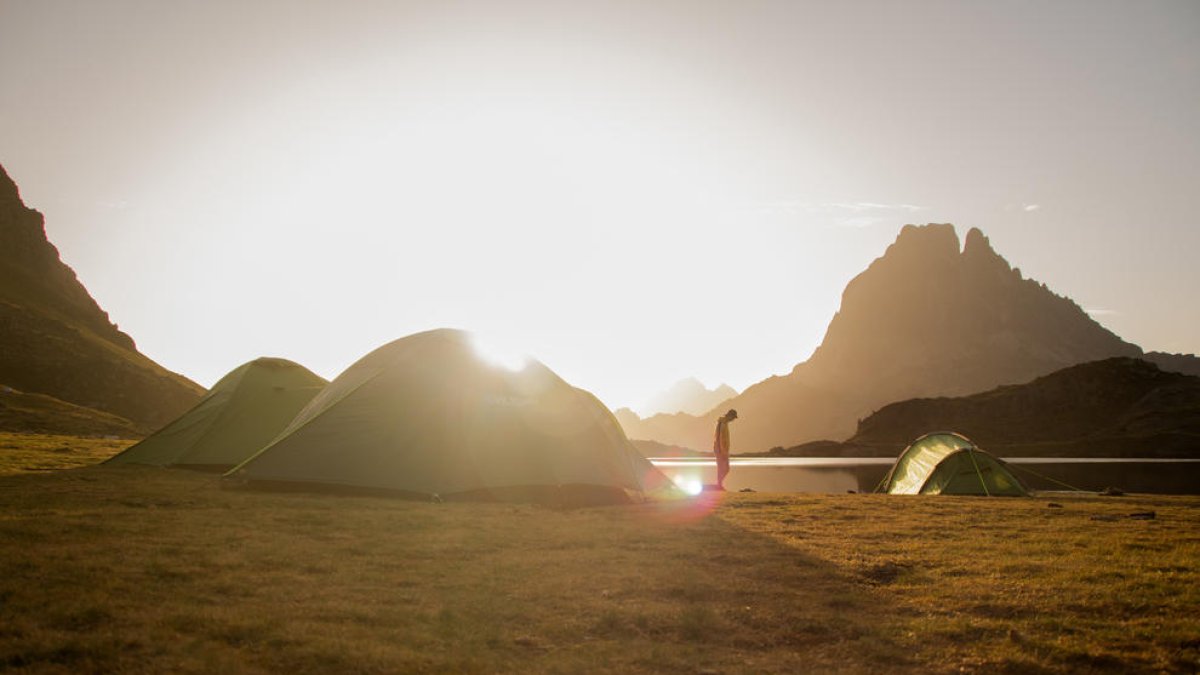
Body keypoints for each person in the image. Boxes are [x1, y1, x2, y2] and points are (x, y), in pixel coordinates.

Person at [712, 409, 738, 490]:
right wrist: (723, 451)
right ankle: (719, 484)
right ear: (730, 416)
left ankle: (719, 484)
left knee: (723, 468)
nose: (733, 420)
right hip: (720, 449)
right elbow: (721, 438)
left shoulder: (724, 423)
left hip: (721, 449)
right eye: (733, 418)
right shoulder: (722, 423)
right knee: (724, 468)